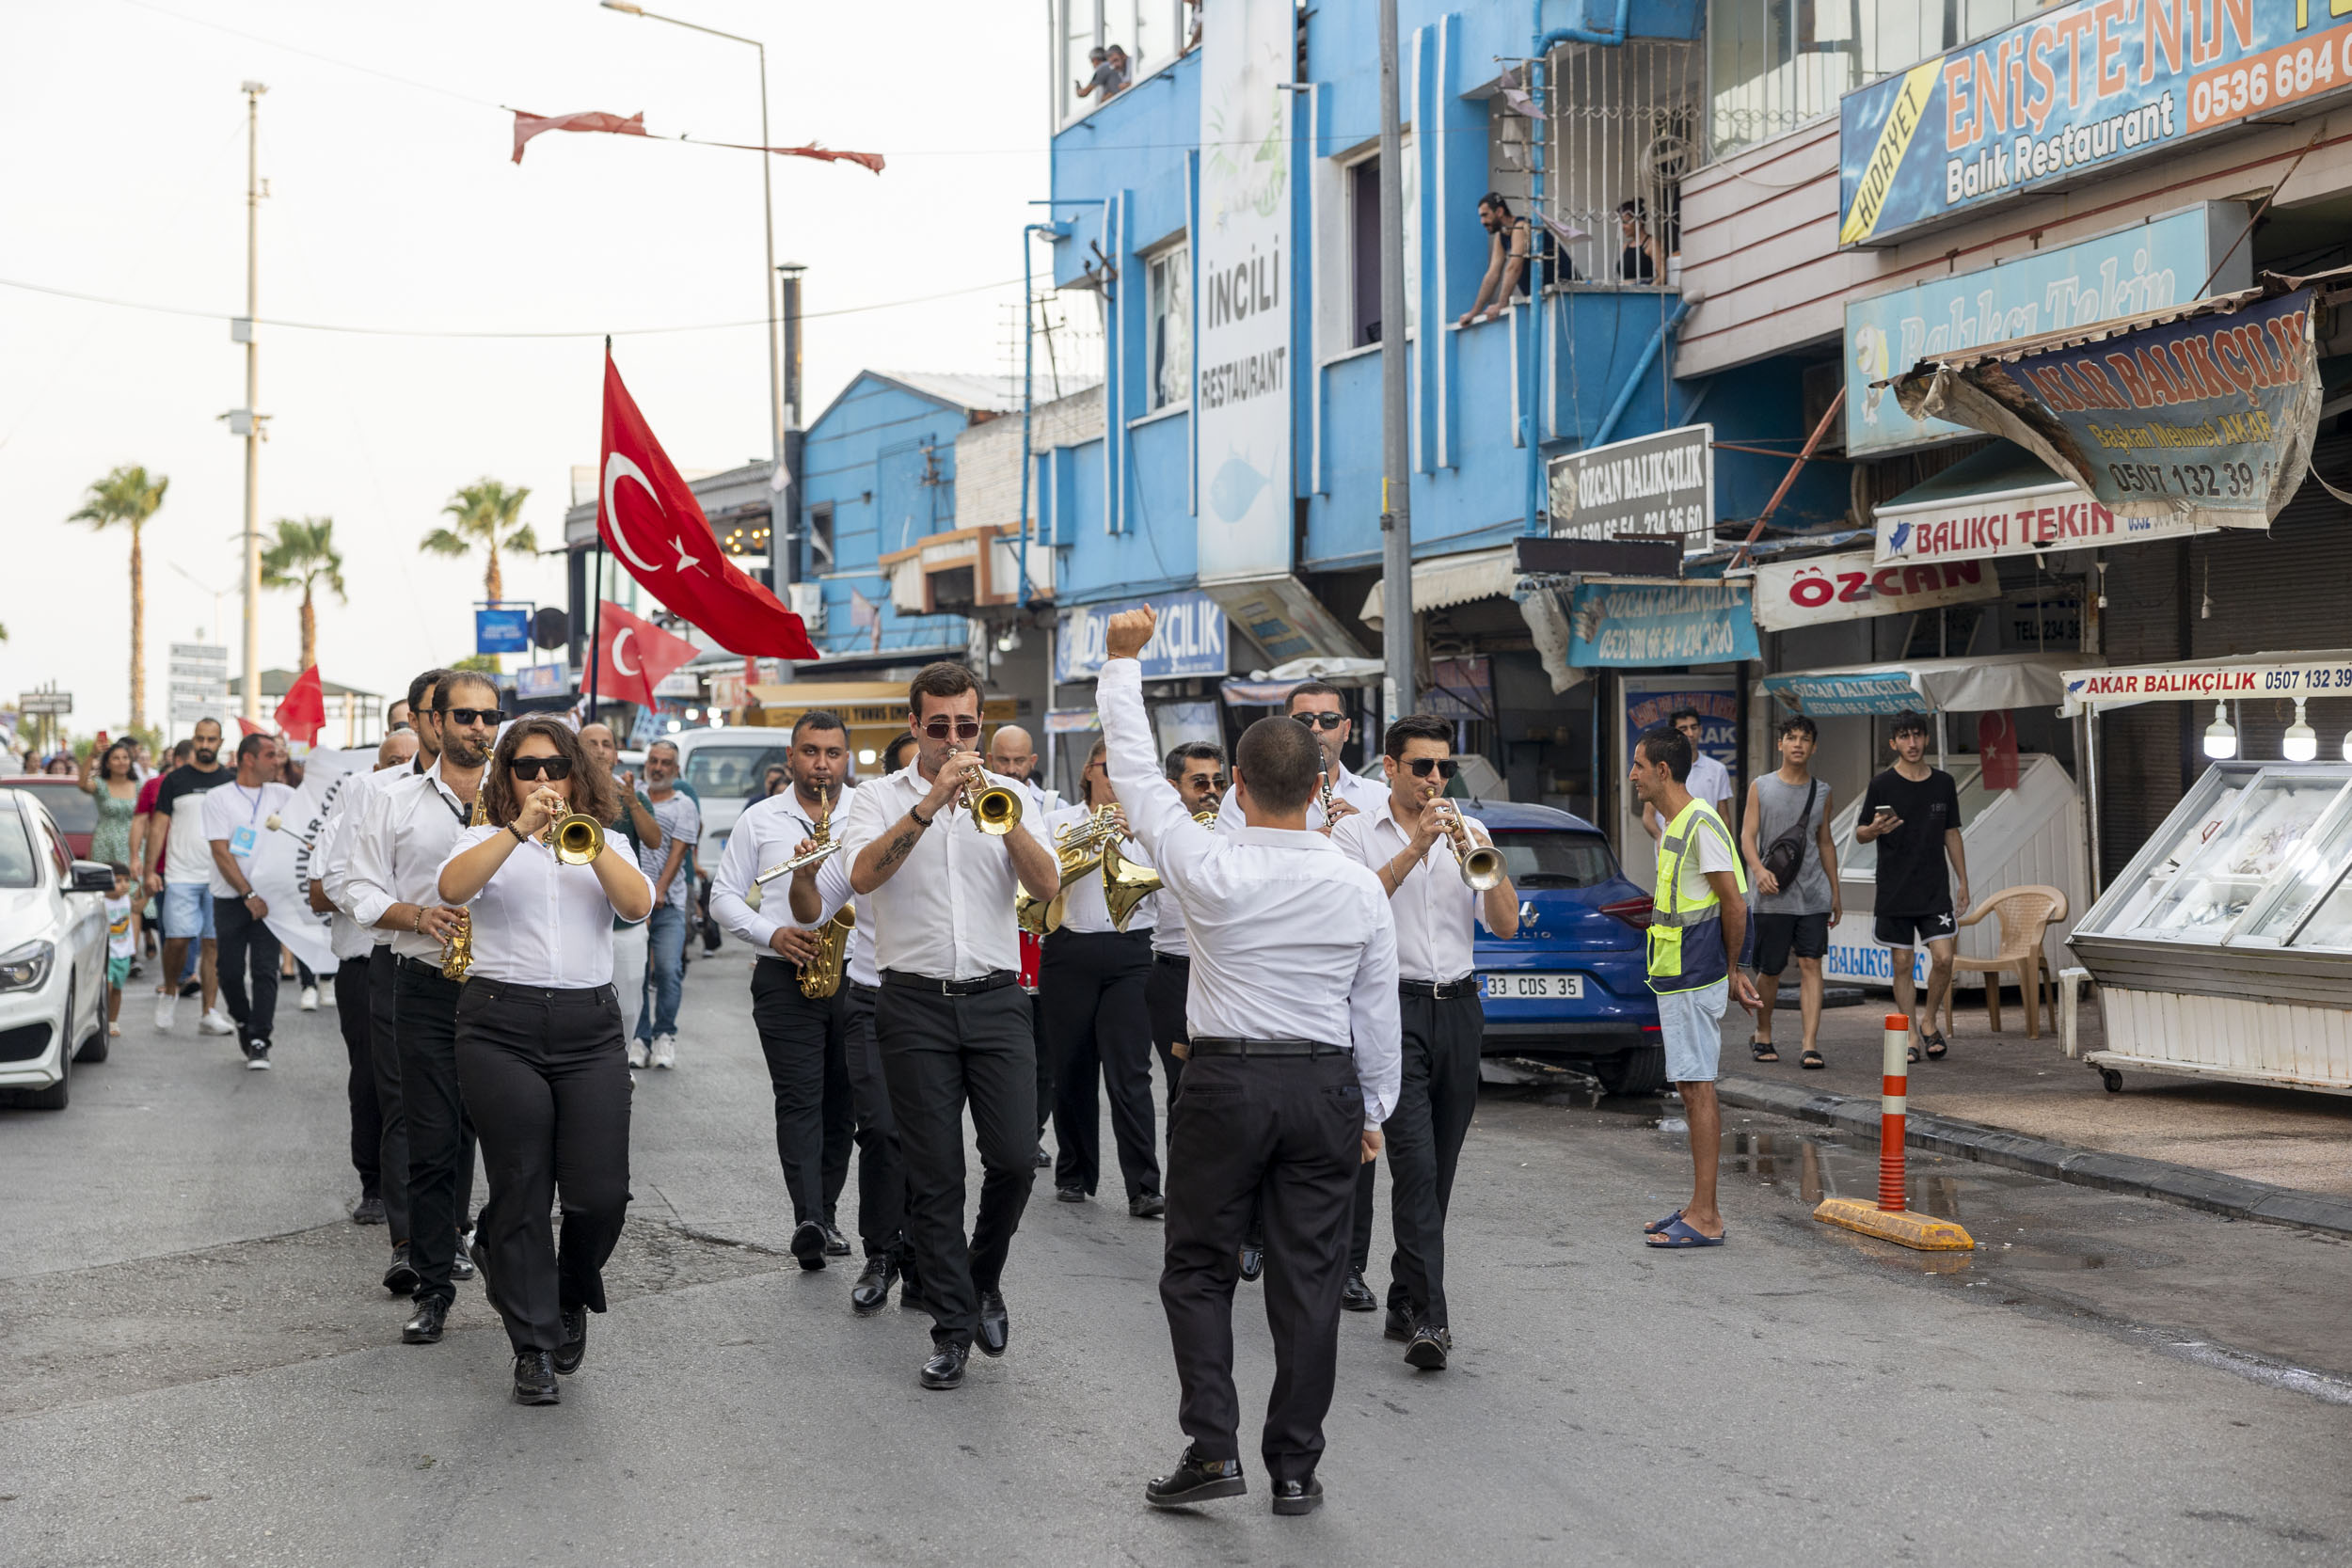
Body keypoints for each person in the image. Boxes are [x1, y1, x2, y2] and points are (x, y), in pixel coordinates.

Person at [1097, 607, 1399, 1519]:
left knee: (1196, 1264)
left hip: (1225, 1081)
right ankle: (1295, 1467)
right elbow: (1373, 1013)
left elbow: (1138, 776)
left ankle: (1212, 1444)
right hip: (1323, 1085)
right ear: (1320, 787)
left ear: (1234, 782)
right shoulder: (1355, 883)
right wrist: (1373, 1112)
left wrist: (1121, 663)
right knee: (1309, 1280)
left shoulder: (1207, 861)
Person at [835, 662, 1061, 1390]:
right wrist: (930, 803)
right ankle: (952, 1327)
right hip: (912, 1001)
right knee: (933, 1176)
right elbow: (863, 875)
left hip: (998, 996)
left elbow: (1047, 885)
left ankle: (980, 1275)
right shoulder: (875, 798)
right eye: (941, 726)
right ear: (915, 726)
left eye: (969, 725)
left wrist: (1006, 813)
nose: (956, 738)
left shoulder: (1013, 795)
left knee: (1016, 1160)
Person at [437, 718, 653, 1406]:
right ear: (508, 777)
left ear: (575, 772)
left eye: (554, 767)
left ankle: (566, 1289)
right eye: (526, 768)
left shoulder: (606, 839)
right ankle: (531, 1344)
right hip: (501, 1023)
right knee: (523, 1183)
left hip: (589, 1026)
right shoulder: (484, 837)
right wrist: (518, 830)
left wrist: (581, 843)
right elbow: (450, 888)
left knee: (600, 1192)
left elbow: (637, 905)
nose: (542, 780)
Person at [1329, 715, 1518, 1370]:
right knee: (1413, 1166)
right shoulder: (1355, 832)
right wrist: (1416, 848)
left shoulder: (1470, 834)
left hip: (1460, 1009)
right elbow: (1359, 905)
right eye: (1423, 767)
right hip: (1393, 1010)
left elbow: (1507, 921)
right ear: (1391, 767)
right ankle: (1431, 1321)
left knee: (1439, 1172)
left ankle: (1404, 1295)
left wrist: (1476, 855)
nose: (1436, 779)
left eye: (1444, 768)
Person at [348, 671, 498, 1345]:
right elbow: (354, 884)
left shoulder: (521, 793)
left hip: (505, 988)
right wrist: (414, 914)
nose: (478, 728)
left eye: (489, 716)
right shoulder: (393, 799)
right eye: (464, 715)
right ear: (433, 720)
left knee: (517, 1146)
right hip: (427, 983)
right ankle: (434, 1286)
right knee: (433, 1142)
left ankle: (496, 1251)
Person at [709, 711, 859, 1268]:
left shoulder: (866, 814)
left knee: (842, 1103)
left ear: (846, 759)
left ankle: (829, 1210)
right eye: (811, 752)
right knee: (800, 1099)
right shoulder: (760, 819)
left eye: (833, 754)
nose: (822, 764)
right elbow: (723, 896)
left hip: (856, 974)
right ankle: (809, 1218)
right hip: (783, 973)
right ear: (791, 757)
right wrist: (769, 931)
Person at [785, 758, 917, 1316]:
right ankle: (883, 1254)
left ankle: (930, 1259)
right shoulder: (872, 815)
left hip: (947, 997)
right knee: (882, 1131)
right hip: (873, 994)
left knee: (931, 1141)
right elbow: (814, 911)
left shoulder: (984, 809)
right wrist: (802, 879)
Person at [1628, 723, 1758, 1250]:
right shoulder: (1675, 822)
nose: (1632, 775)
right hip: (1677, 973)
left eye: (1638, 765)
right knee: (1688, 1085)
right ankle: (1696, 1205)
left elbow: (1735, 902)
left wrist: (1733, 969)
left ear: (1662, 770)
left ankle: (1707, 1216)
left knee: (1697, 1086)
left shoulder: (1701, 823)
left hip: (1695, 973)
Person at [1041, 739, 1164, 1217]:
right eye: (1109, 767)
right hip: (1069, 949)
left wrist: (1136, 838)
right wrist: (1083, 848)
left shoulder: (1151, 827)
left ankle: (1144, 1186)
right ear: (1089, 771)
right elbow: (1036, 886)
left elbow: (1166, 892)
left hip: (1131, 952)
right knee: (1070, 1068)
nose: (1116, 777)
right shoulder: (1059, 823)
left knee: (1130, 1072)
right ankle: (1074, 1173)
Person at [315, 729, 420, 1227]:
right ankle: (374, 1185)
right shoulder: (342, 821)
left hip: (418, 961)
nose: (402, 766)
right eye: (392, 761)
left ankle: (431, 1194)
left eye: (410, 758)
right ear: (376, 771)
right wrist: (381, 898)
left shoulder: (426, 813)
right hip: (363, 963)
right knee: (372, 1080)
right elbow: (323, 891)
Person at [1855, 711, 1969, 1062]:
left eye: (1917, 735)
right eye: (1904, 736)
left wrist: (1963, 880)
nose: (1912, 743)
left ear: (1926, 739)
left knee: (1945, 958)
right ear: (1893, 743)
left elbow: (1952, 832)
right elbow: (1860, 833)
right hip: (1895, 888)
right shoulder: (1881, 784)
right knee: (1902, 963)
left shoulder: (1944, 783)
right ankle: (1909, 1035)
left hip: (1934, 888)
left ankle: (1930, 1019)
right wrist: (1873, 830)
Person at [1740, 715, 1841, 1069]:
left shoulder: (1823, 791)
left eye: (1805, 739)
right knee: (1770, 970)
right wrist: (1758, 870)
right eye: (1791, 737)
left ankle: (1809, 1044)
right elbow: (1746, 836)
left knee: (1812, 963)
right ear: (1780, 744)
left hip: (1813, 894)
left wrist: (1835, 891)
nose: (1798, 744)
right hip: (1771, 895)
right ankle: (1763, 1034)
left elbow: (1825, 841)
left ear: (1814, 747)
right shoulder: (1761, 787)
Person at [202, 733, 295, 1068]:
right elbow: (220, 851)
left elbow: (304, 837)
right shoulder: (218, 798)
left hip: (271, 900)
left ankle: (260, 1039)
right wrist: (247, 893)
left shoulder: (284, 795)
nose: (277, 761)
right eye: (270, 755)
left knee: (265, 970)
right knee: (228, 971)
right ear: (248, 759)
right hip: (231, 898)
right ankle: (243, 1020)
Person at [1145, 741, 1224, 1129]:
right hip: (1176, 974)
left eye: (1217, 782)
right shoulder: (1159, 836)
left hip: (1225, 974)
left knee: (1225, 1088)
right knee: (1182, 1091)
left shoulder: (1235, 830)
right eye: (1200, 782)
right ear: (1173, 786)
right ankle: (1180, 1189)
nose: (1211, 791)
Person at [580, 722, 664, 1059]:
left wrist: (632, 802)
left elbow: (655, 841)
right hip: (583, 920)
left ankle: (623, 1060)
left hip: (625, 923)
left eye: (606, 744)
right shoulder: (565, 793)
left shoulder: (634, 795)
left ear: (616, 754)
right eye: (591, 744)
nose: (600, 750)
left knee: (629, 1004)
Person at [148, 719, 235, 1037]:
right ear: (193, 741)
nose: (205, 745)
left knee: (213, 944)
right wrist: (149, 872)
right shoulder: (175, 780)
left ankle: (209, 1012)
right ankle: (170, 991)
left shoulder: (230, 781)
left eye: (211, 739)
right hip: (180, 874)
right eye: (200, 738)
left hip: (219, 876)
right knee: (178, 940)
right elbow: (157, 826)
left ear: (220, 742)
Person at [1216, 681, 1385, 833]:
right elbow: (1231, 858)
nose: (1316, 728)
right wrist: (1304, 845)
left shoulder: (1380, 797)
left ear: (1346, 730)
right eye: (1304, 719)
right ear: (1287, 727)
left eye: (1329, 719)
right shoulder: (1249, 792)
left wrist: (1365, 833)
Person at [630, 739, 700, 1070]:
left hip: (668, 902)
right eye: (653, 760)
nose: (658, 767)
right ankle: (640, 1038)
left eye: (666, 763)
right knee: (637, 973)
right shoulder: (633, 794)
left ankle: (664, 1036)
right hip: (631, 902)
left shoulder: (684, 804)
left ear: (676, 769)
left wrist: (657, 890)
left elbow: (679, 851)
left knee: (669, 970)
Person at [132, 740, 193, 978]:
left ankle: (187, 975)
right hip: (163, 866)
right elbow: (140, 822)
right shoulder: (154, 786)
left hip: (196, 866)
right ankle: (175, 976)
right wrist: (137, 858)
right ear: (179, 761)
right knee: (169, 923)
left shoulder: (207, 786)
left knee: (194, 926)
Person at [1643, 708, 1733, 841]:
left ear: (1700, 729)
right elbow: (1648, 816)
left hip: (1706, 848)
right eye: (1683, 729)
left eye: (1694, 727)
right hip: (1670, 849)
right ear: (1673, 734)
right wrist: (1660, 838)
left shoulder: (1717, 770)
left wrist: (1727, 848)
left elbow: (1724, 817)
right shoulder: (1661, 769)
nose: (1690, 734)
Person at [1458, 193, 1534, 326]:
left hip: (1561, 293)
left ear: (1499, 211)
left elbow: (1514, 267)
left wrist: (1501, 304)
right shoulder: (1501, 235)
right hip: (1541, 299)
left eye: (1485, 215)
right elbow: (1492, 274)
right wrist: (1474, 312)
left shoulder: (1521, 226)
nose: (1482, 222)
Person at [81, 738, 140, 876]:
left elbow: (145, 820)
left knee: (133, 887)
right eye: (116, 758)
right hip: (105, 845)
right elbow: (82, 784)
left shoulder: (138, 786)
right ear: (107, 763)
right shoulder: (100, 785)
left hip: (132, 846)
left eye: (125, 758)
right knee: (106, 887)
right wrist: (92, 755)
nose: (121, 762)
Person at [103, 863, 135, 1038]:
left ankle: (112, 1020)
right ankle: (102, 1018)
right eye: (118, 881)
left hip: (123, 954)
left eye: (127, 880)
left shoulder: (127, 899)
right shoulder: (101, 901)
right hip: (108, 955)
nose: (124, 885)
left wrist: (147, 895)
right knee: (105, 989)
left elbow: (137, 909)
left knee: (117, 989)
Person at [1616, 198, 1665, 282]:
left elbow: (1663, 276)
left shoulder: (1651, 244)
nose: (1622, 227)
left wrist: (1649, 291)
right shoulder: (1625, 246)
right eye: (1621, 223)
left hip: (1643, 294)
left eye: (1625, 222)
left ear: (1639, 221)